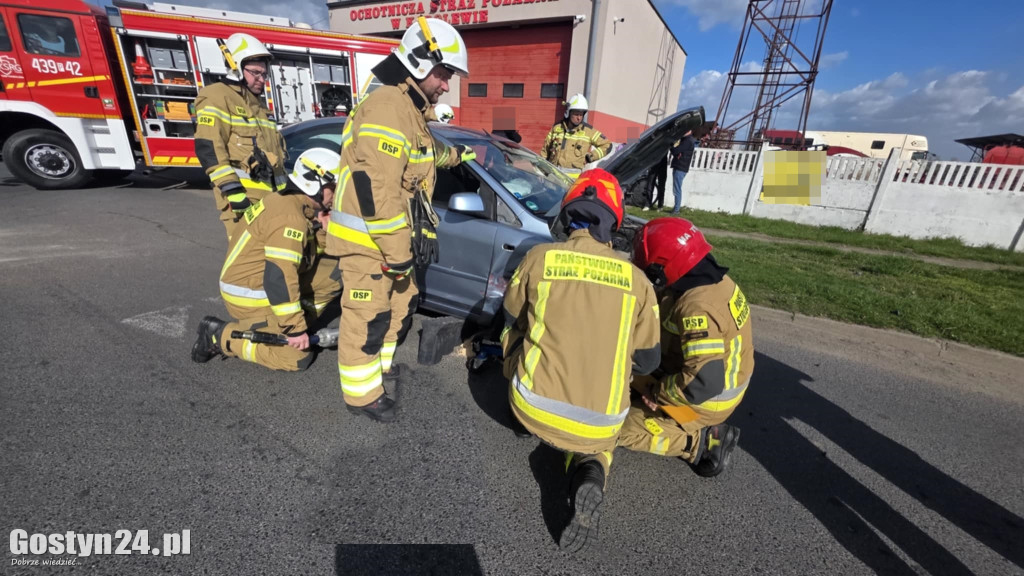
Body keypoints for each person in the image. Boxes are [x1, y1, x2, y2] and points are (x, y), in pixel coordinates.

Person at [501, 168, 661, 552]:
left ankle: (538, 412)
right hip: (599, 424)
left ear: (568, 214)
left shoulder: (539, 258)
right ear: (613, 224)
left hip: (529, 407)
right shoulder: (638, 283)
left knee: (514, 336)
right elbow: (647, 362)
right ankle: (592, 466)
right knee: (608, 415)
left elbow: (510, 317)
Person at [326, 17, 475, 423]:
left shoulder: (410, 112)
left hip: (393, 244)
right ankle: (361, 394)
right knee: (368, 317)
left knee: (400, 306)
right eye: (445, 73)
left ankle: (380, 367)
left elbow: (422, 159)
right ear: (421, 61)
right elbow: (377, 188)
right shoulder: (389, 106)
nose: (447, 85)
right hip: (370, 244)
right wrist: (397, 253)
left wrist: (460, 156)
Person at [618, 217, 753, 477]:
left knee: (617, 429)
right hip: (694, 377)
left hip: (704, 402)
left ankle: (698, 441)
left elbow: (703, 382)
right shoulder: (706, 280)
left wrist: (658, 394)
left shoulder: (697, 309)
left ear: (663, 266)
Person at [191, 148, 343, 372]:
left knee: (337, 268)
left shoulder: (295, 204)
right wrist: (294, 329)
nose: (338, 195)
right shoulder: (290, 218)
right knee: (296, 359)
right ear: (317, 183)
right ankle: (220, 336)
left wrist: (322, 227)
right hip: (250, 295)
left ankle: (292, 322)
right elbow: (278, 278)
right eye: (335, 188)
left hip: (260, 283)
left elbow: (315, 250)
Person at [194, 33, 287, 239]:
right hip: (243, 199)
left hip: (272, 199)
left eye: (264, 74)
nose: (261, 79)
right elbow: (209, 147)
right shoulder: (217, 96)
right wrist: (232, 190)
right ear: (235, 66)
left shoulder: (260, 106)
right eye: (255, 73)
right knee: (247, 263)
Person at [542, 94, 612, 170]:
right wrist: (541, 169)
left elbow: (607, 145)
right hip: (553, 176)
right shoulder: (557, 128)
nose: (579, 118)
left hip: (572, 180)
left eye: (581, 115)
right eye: (576, 114)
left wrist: (590, 157)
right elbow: (545, 151)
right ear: (568, 113)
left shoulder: (588, 131)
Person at [668, 129, 696, 214]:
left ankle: (676, 209)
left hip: (680, 167)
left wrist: (671, 146)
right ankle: (676, 208)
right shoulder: (686, 140)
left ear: (689, 131)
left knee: (677, 189)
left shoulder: (688, 141)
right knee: (676, 188)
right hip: (680, 166)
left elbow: (676, 151)